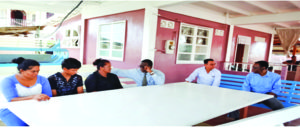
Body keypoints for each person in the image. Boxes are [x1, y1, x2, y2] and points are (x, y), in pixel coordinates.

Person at [0, 57, 52, 126]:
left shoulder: (42, 79)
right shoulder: (8, 81)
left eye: (38, 71)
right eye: (33, 71)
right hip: (11, 110)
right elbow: (12, 100)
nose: (36, 73)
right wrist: (33, 97)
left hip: (35, 107)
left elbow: (48, 96)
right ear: (22, 71)